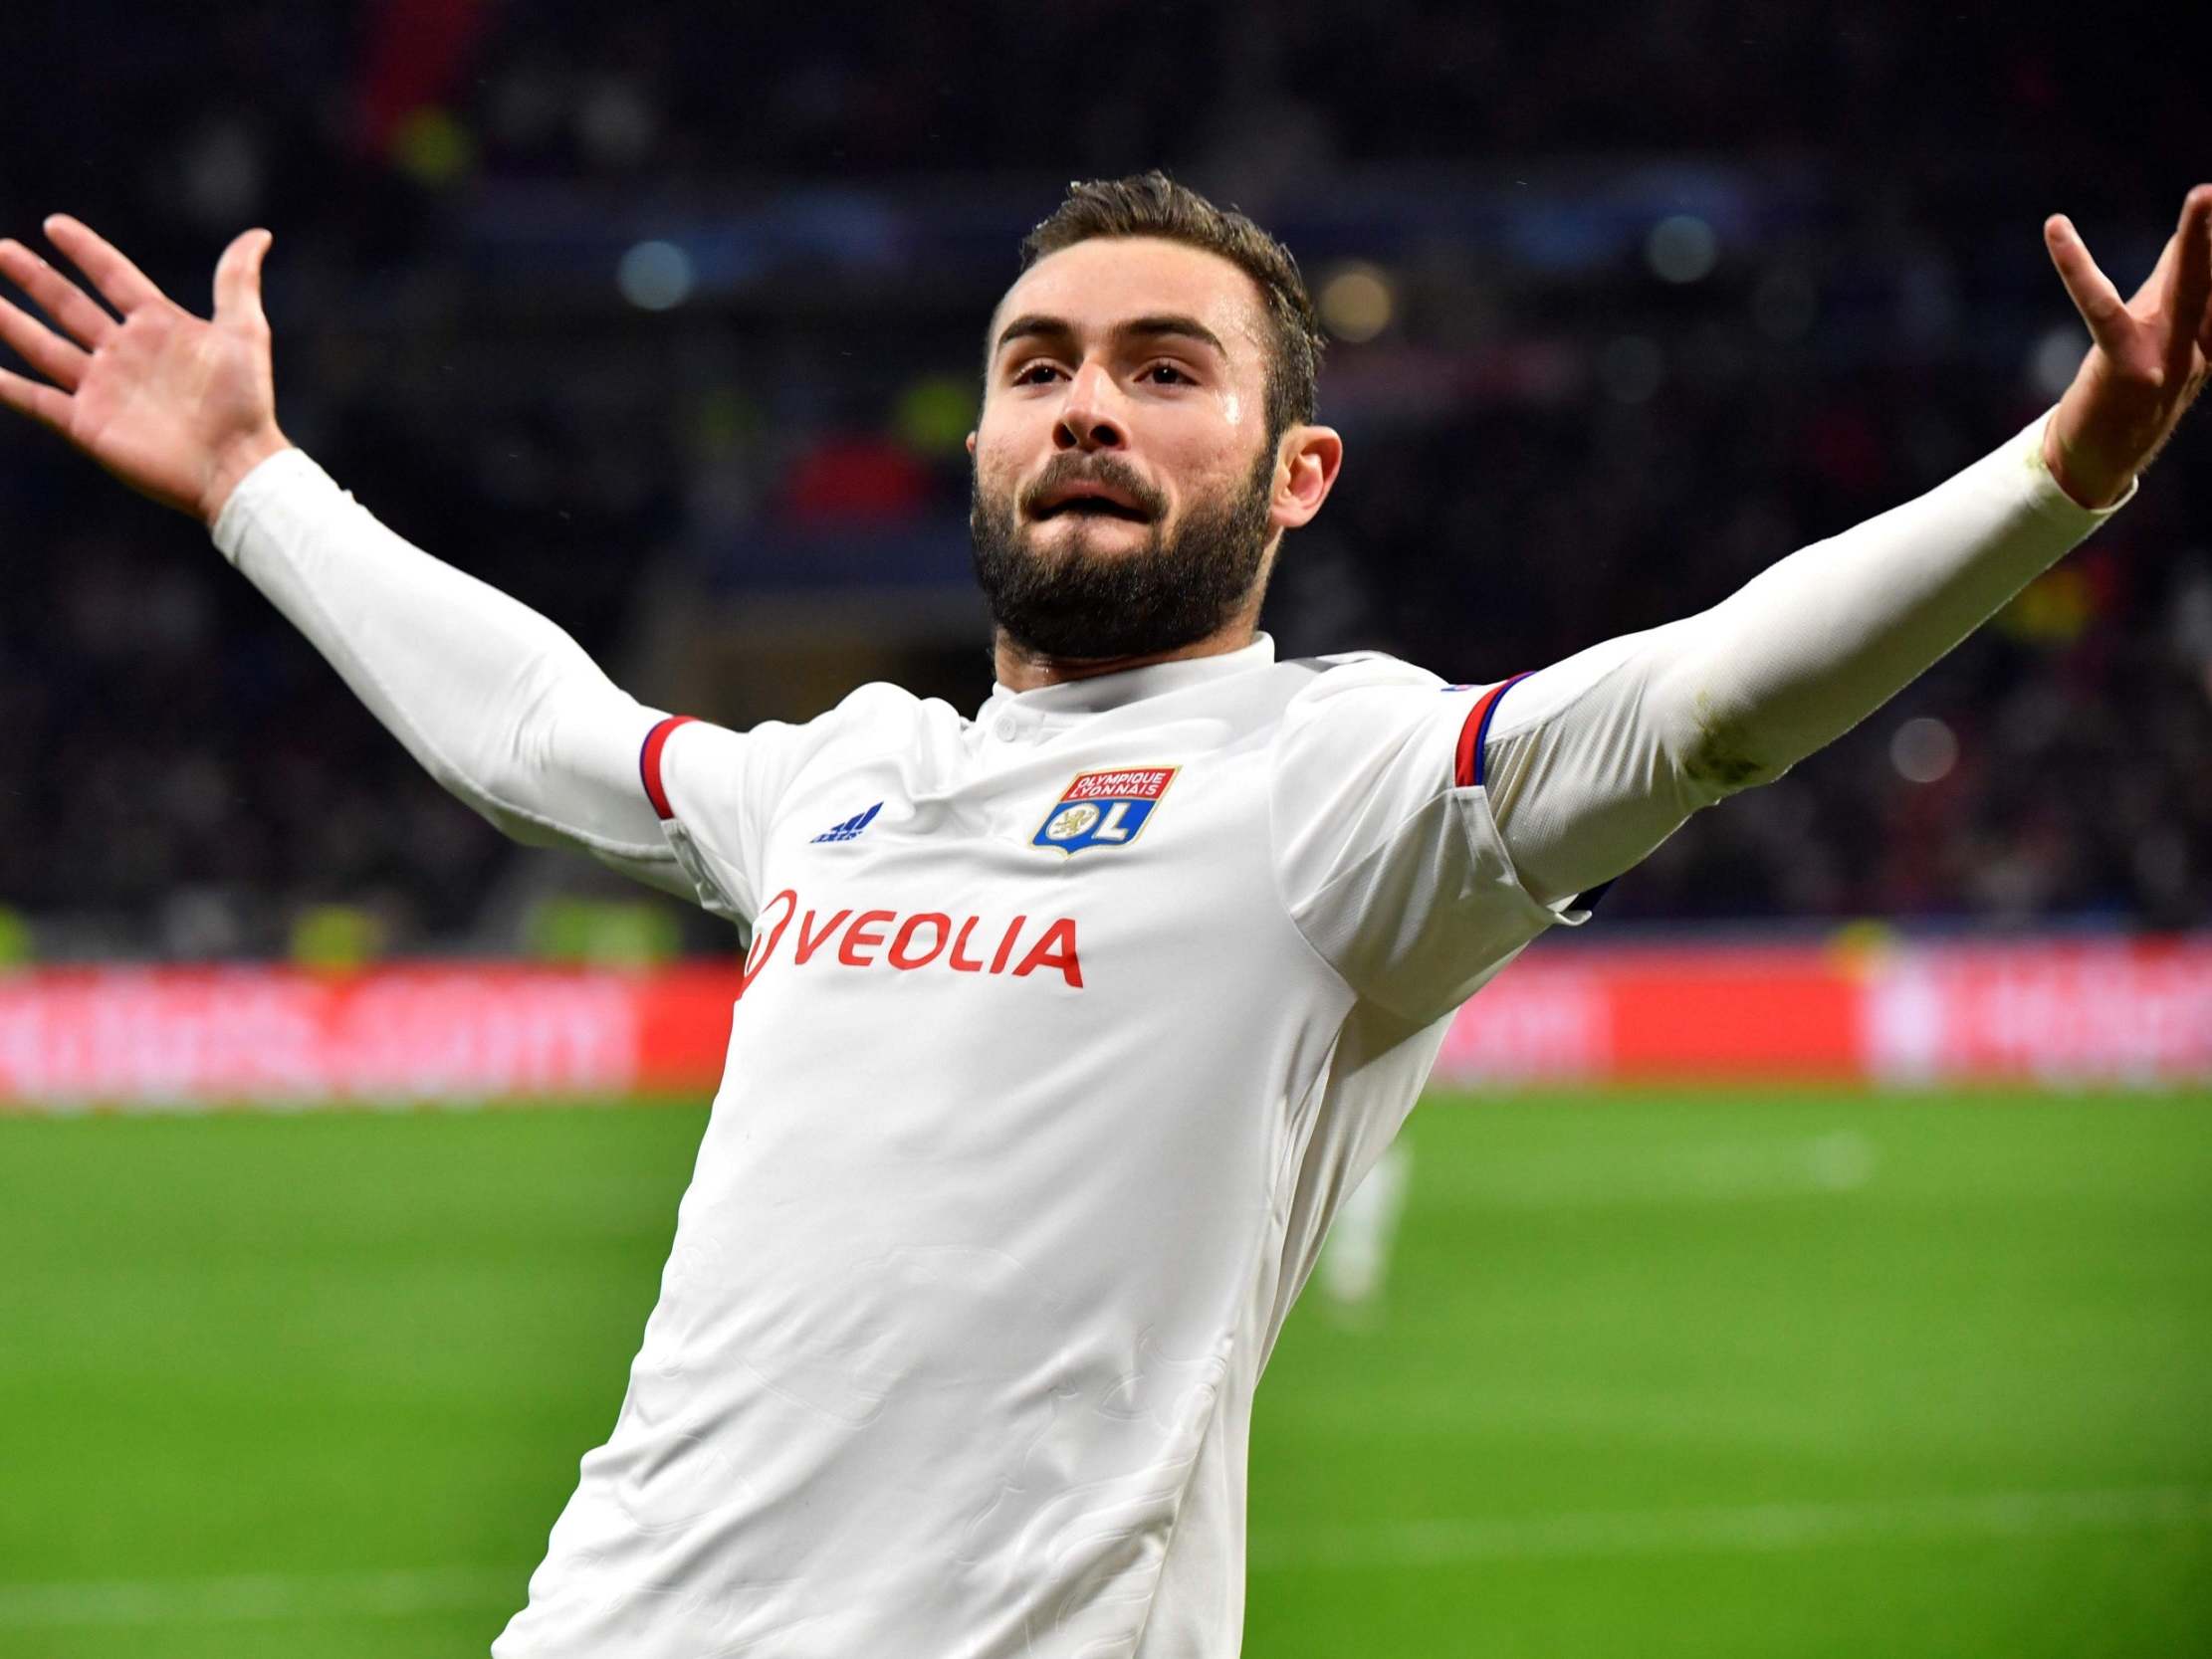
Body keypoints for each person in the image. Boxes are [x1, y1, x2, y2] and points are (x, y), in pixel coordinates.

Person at [1, 170, 2203, 1657]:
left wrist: (2064, 468)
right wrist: (252, 481)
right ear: (974, 440)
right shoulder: (846, 775)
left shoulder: (1339, 791)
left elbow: (1714, 694)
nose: (1086, 403)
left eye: (1167, 368)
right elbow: (538, 728)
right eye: (1041, 361)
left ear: (1293, 472)